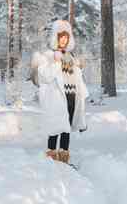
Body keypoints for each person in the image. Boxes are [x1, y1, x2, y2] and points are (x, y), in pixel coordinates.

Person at [35, 20, 88, 164]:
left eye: (66, 37)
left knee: (66, 128)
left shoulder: (71, 57)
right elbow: (45, 76)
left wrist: (79, 69)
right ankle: (51, 158)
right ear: (56, 37)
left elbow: (76, 77)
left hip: (72, 96)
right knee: (55, 127)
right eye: (61, 36)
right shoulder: (48, 56)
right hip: (57, 97)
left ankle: (64, 159)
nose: (64, 40)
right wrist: (56, 62)